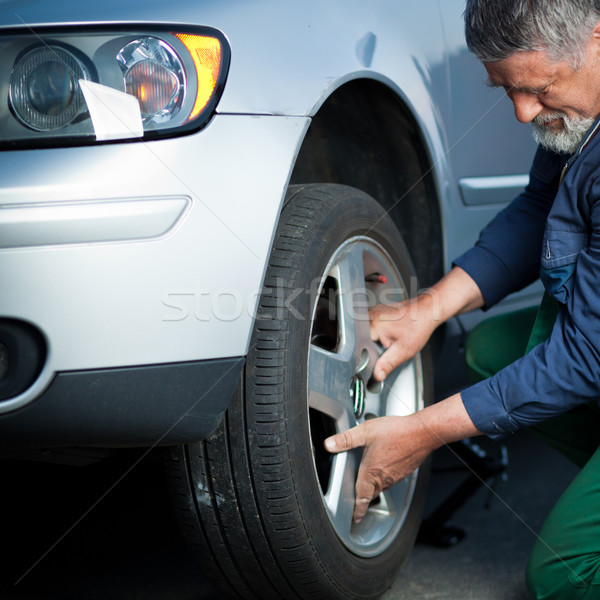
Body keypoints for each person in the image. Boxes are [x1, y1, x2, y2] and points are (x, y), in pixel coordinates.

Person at [324, 1, 600, 598]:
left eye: (538, 88)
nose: (524, 111)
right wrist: (428, 308)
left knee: (562, 575)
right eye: (506, 90)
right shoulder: (580, 113)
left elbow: (585, 359)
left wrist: (423, 431)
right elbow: (536, 212)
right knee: (496, 348)